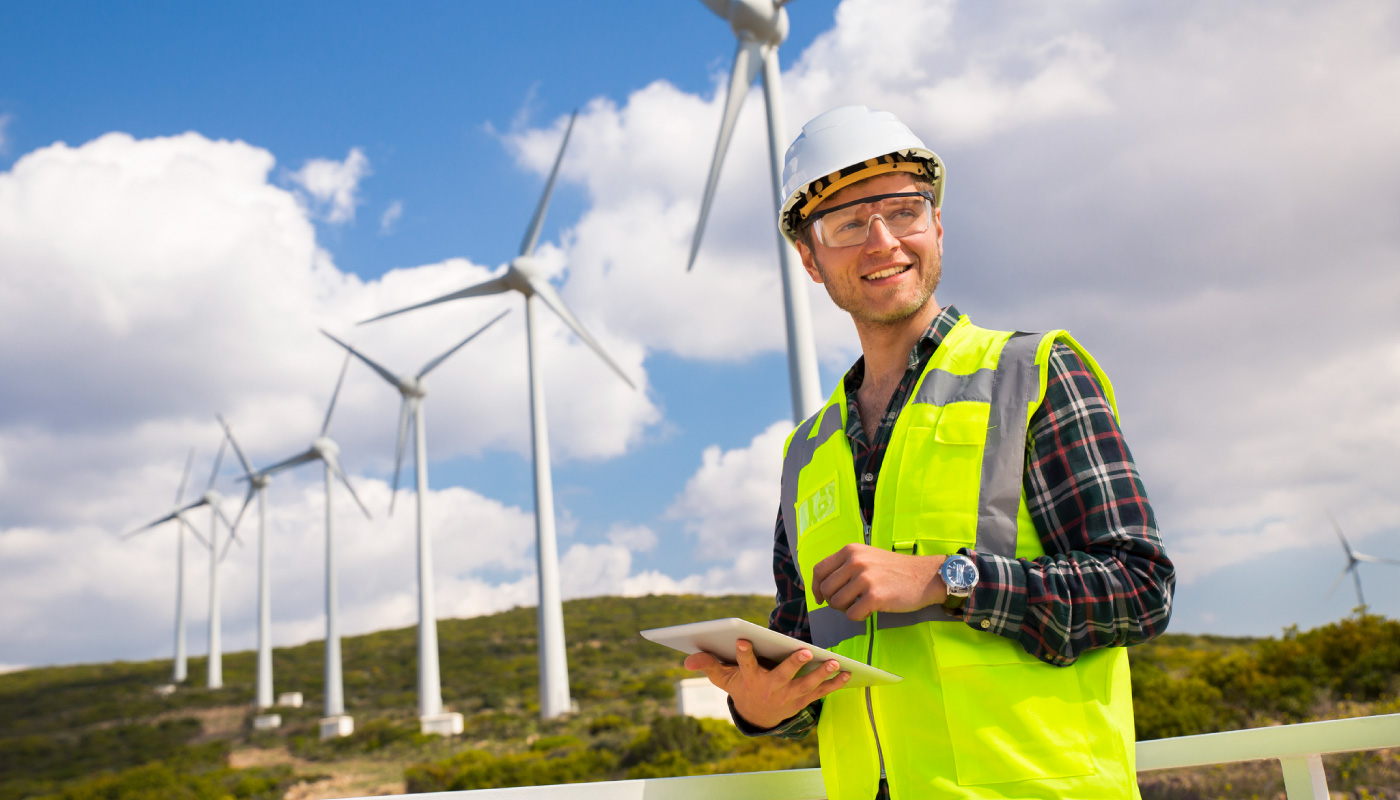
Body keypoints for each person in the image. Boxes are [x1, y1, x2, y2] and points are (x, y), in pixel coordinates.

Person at [684, 105, 1175, 799]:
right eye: (849, 223)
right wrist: (758, 710)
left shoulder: (1032, 373)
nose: (882, 240)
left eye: (904, 211)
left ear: (937, 226)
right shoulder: (808, 452)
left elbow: (1139, 589)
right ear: (810, 258)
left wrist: (947, 580)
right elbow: (808, 655)